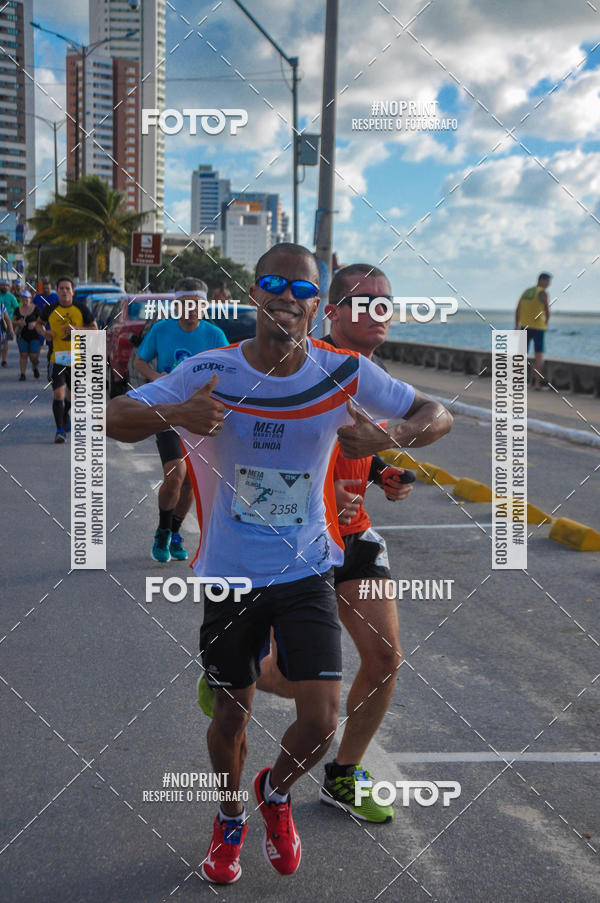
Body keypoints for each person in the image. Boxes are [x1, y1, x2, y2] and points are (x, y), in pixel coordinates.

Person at [106, 243, 452, 885]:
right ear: (254, 293)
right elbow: (113, 415)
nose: (287, 298)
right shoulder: (210, 367)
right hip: (230, 573)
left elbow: (437, 414)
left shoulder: (342, 371)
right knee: (231, 716)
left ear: (315, 304)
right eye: (273, 284)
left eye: (301, 290)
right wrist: (179, 413)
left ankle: (277, 790)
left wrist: (389, 436)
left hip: (308, 568)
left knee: (319, 719)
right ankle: (229, 815)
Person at [134, 277, 229, 563]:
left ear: (204, 306)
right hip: (169, 413)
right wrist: (155, 377)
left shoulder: (214, 335)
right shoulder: (162, 330)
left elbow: (229, 368)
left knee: (191, 483)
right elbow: (140, 361)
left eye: (196, 304)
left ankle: (175, 532)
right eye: (185, 304)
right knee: (175, 475)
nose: (191, 309)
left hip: (199, 417)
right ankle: (162, 531)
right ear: (177, 305)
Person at [36, 276, 97, 443]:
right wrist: (44, 333)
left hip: (78, 359)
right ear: (57, 291)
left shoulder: (81, 308)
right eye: (61, 288)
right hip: (57, 358)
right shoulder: (51, 308)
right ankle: (60, 430)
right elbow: (38, 324)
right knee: (58, 394)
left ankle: (64, 414)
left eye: (67, 288)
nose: (64, 291)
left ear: (72, 291)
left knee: (72, 397)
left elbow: (94, 329)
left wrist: (76, 329)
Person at [515, 273, 551, 390]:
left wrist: (516, 325)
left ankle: (517, 381)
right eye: (548, 281)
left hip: (524, 326)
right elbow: (547, 311)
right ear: (542, 280)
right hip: (538, 328)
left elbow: (518, 309)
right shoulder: (543, 293)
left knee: (521, 354)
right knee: (539, 355)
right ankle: (537, 383)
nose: (549, 284)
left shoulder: (526, 292)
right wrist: (546, 324)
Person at [13, 290, 41, 380]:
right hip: (22, 335)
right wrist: (18, 322)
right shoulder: (18, 309)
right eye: (23, 298)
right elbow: (13, 321)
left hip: (34, 335)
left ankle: (35, 367)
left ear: (30, 298)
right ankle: (22, 374)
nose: (24, 300)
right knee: (23, 354)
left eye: (26, 298)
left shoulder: (36, 309)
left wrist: (34, 323)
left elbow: (42, 321)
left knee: (33, 356)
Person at [0, 278, 18, 367]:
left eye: (6, 285)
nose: (4, 287)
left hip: (7, 322)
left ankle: (4, 360)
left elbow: (17, 308)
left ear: (8, 287)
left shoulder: (11, 296)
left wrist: (14, 321)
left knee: (5, 342)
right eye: (2, 285)